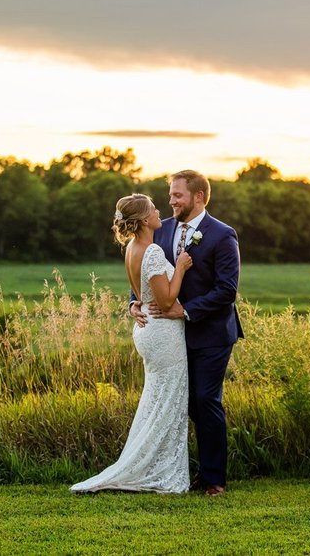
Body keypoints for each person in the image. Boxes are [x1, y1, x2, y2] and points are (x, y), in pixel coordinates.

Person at [70, 193, 194, 494]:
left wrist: (134, 305)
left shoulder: (132, 248)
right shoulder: (151, 251)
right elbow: (165, 300)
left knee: (157, 400)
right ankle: (158, 470)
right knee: (168, 401)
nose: (158, 211)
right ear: (142, 220)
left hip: (146, 328)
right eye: (153, 208)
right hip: (162, 331)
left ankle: (150, 463)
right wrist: (180, 267)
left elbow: (140, 293)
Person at [132, 170, 244, 497]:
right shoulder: (162, 229)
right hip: (173, 337)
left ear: (198, 197)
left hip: (212, 333)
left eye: (177, 195)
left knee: (206, 400)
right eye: (170, 195)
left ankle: (214, 479)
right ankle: (195, 471)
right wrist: (133, 304)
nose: (171, 201)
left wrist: (187, 309)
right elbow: (146, 273)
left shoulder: (223, 235)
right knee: (188, 403)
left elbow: (227, 290)